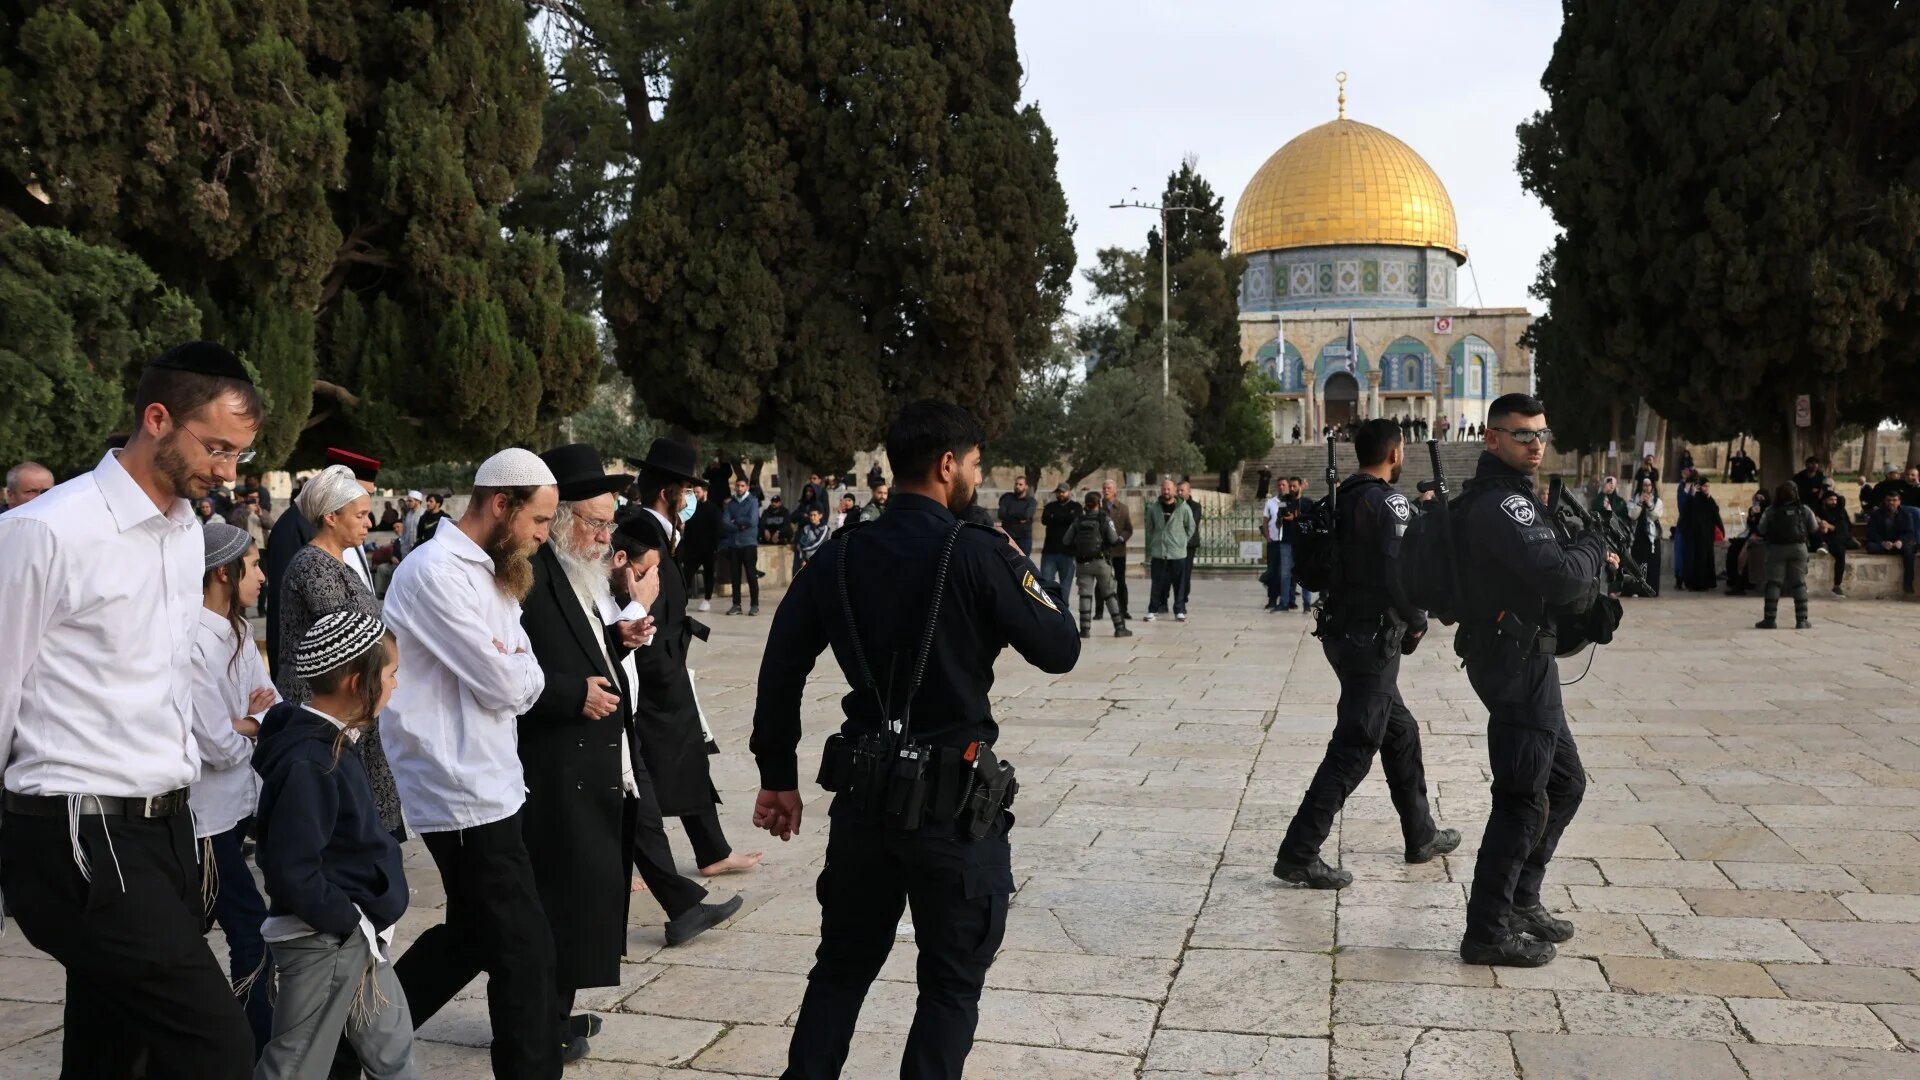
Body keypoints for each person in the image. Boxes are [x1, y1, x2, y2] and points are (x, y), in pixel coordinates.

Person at [748, 400, 1080, 1079]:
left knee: (839, 972)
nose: (978, 481)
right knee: (950, 986)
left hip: (866, 804)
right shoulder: (981, 553)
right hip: (953, 814)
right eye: (977, 467)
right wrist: (1024, 569)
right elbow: (1060, 648)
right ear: (948, 465)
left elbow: (781, 663)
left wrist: (777, 775)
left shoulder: (840, 556)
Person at [0, 341, 261, 1076]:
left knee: (113, 1049)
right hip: (79, 833)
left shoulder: (184, 531)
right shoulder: (45, 530)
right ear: (155, 418)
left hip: (167, 829)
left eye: (238, 454)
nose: (226, 470)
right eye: (215, 447)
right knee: (217, 1047)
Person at [519, 446, 742, 1058]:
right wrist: (570, 693)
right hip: (554, 763)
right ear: (560, 519)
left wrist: (617, 641)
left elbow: (581, 651)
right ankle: (532, 1028)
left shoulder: (579, 571)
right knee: (545, 906)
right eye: (593, 524)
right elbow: (507, 674)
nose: (603, 537)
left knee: (577, 901)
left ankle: (554, 1018)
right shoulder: (531, 574)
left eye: (606, 523)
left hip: (593, 757)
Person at [380, 448, 566, 1077]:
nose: (544, 536)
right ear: (500, 504)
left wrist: (513, 663)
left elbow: (525, 666)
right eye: (539, 520)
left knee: (470, 939)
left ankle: (351, 1042)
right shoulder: (437, 572)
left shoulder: (493, 571)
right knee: (526, 953)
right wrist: (512, 664)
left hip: (491, 782)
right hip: (459, 789)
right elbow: (509, 685)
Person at [1454, 393, 1614, 968]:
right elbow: (1564, 581)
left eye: (1541, 433)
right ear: (1491, 439)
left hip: (1527, 659)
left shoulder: (1518, 498)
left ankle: (1521, 899)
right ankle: (1487, 931)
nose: (1535, 443)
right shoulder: (1504, 505)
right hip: (1513, 663)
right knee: (1523, 799)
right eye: (1522, 434)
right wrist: (1595, 543)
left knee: (1564, 784)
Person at [1274, 419, 1459, 890]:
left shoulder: (1344, 497)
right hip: (1373, 638)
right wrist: (1416, 620)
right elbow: (1399, 571)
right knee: (1356, 743)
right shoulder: (1388, 501)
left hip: (1341, 633)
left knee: (1401, 731)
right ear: (1396, 453)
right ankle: (1300, 852)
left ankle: (1421, 834)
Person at [252, 613, 416, 1080]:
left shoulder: (336, 742)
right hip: (326, 942)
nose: (395, 685)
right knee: (295, 1066)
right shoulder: (310, 760)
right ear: (353, 682)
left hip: (358, 939)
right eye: (389, 675)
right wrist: (349, 922)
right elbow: (291, 867)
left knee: (392, 1050)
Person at [615, 439, 763, 879]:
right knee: (637, 774)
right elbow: (638, 604)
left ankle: (711, 850)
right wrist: (660, 672)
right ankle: (634, 862)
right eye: (688, 491)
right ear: (670, 493)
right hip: (651, 672)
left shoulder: (658, 529)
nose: (693, 500)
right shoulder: (642, 533)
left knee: (684, 760)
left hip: (664, 670)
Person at [273, 464, 407, 841]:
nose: (368, 523)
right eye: (360, 515)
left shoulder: (338, 563)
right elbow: (351, 635)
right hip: (323, 703)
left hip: (350, 699)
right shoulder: (312, 566)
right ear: (331, 517)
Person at [193, 521, 279, 1057]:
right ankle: (250, 1047)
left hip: (236, 808)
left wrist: (247, 721)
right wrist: (251, 724)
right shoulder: (192, 643)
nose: (264, 575)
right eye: (255, 563)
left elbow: (271, 704)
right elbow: (219, 747)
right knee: (248, 929)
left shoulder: (240, 632)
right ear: (224, 571)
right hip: (203, 820)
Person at [264, 448, 387, 665]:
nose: (368, 521)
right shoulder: (295, 530)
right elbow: (283, 613)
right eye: (360, 513)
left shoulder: (344, 535)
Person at [1754, 483, 1819, 629]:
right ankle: (1801, 620)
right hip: (1799, 548)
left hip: (1776, 549)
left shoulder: (1771, 510)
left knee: (1774, 583)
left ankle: (1770, 619)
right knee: (1799, 584)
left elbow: (1761, 529)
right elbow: (1814, 528)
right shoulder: (1804, 510)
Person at [1068, 491, 1131, 638]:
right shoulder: (1105, 519)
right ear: (1099, 503)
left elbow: (1066, 540)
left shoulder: (1078, 520)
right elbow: (1114, 539)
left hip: (1083, 563)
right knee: (1110, 595)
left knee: (1085, 595)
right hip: (1102, 562)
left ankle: (1084, 629)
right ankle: (1119, 628)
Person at [1143, 477, 1195, 622]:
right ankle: (1153, 609)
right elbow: (1150, 527)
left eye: (1169, 489)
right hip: (1159, 552)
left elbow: (1190, 527)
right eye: (1164, 489)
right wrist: (1157, 539)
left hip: (1177, 553)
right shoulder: (1154, 508)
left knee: (1179, 583)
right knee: (1156, 583)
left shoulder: (1183, 508)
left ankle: (1179, 609)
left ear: (1174, 491)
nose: (1166, 491)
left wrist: (1182, 541)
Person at [718, 477, 763, 616]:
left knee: (751, 574)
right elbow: (724, 522)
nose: (739, 488)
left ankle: (754, 605)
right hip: (734, 544)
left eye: (742, 485)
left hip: (748, 543)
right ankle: (736, 605)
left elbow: (752, 520)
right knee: (735, 575)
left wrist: (735, 520)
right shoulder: (731, 503)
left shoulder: (753, 501)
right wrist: (738, 525)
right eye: (737, 485)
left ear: (747, 487)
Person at [679, 480, 722, 614]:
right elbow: (687, 528)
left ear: (705, 492)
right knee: (686, 575)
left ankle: (707, 599)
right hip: (692, 549)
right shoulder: (691, 508)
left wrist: (715, 547)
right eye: (694, 492)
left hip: (708, 549)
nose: (696, 494)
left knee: (708, 574)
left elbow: (717, 529)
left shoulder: (713, 508)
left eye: (698, 492)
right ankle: (682, 601)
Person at [1867, 489, 1920, 594]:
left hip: (1900, 544)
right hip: (1884, 544)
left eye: (1894, 500)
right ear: (1885, 501)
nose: (1891, 503)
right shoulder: (1876, 514)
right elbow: (1872, 533)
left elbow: (1909, 532)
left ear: (1899, 501)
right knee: (1871, 546)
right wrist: (1883, 542)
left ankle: (1908, 583)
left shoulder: (1906, 514)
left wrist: (1900, 541)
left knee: (1909, 551)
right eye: (1888, 500)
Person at [1677, 475, 1722, 592]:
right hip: (1695, 536)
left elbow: (1715, 512)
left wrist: (1709, 498)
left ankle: (1706, 583)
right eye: (1705, 486)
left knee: (1706, 558)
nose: (1707, 488)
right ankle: (1695, 583)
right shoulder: (1694, 498)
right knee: (1696, 559)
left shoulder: (1709, 500)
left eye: (1708, 486)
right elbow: (1686, 512)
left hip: (1707, 535)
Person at [1038, 481, 1081, 600]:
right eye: (1058, 492)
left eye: (1063, 492)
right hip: (1049, 552)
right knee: (1046, 584)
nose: (1060, 494)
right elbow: (1045, 519)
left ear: (1069, 492)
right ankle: (1048, 610)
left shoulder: (1076, 506)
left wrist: (1055, 517)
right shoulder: (1050, 506)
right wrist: (1065, 517)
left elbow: (1075, 519)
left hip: (1068, 553)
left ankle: (1063, 611)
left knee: (1065, 586)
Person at [1101, 478, 1134, 620]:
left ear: (1115, 491)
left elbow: (1128, 528)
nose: (1106, 490)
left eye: (1109, 488)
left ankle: (1123, 609)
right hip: (1102, 551)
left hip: (1119, 551)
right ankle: (1098, 611)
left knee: (1121, 581)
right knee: (1101, 582)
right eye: (1104, 488)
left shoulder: (1123, 508)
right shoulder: (1098, 507)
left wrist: (1121, 538)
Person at [1626, 477, 1664, 596]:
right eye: (1644, 485)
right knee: (1637, 563)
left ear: (1652, 486)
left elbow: (1656, 515)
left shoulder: (1657, 500)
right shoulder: (1634, 498)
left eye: (1649, 485)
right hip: (1638, 536)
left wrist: (1649, 504)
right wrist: (1640, 503)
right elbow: (1632, 515)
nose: (1646, 487)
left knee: (1652, 564)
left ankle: (1651, 590)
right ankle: (1637, 589)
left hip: (1651, 537)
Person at [1726, 491, 1768, 596]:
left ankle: (1740, 583)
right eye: (1757, 499)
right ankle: (1735, 580)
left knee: (1743, 556)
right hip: (1752, 534)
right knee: (1734, 548)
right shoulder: (1752, 509)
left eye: (1761, 499)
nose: (1759, 501)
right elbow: (1750, 524)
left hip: (1761, 537)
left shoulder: (1769, 511)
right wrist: (1752, 515)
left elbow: (1765, 527)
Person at [1814, 488, 1852, 597]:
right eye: (1831, 500)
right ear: (1825, 501)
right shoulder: (1819, 510)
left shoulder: (1840, 510)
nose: (1834, 502)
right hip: (1822, 538)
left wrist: (1831, 527)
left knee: (1840, 554)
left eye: (1835, 499)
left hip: (1838, 539)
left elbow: (1844, 528)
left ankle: (1837, 586)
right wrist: (1822, 525)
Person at [1286, 477, 1316, 611]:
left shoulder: (1307, 502)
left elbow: (1312, 520)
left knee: (1305, 574)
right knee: (1291, 573)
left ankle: (1307, 604)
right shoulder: (1286, 502)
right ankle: (1291, 601)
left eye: (1294, 486)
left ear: (1300, 486)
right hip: (1290, 542)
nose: (1292, 489)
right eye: (1290, 486)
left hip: (1304, 543)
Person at [1261, 483, 1290, 611]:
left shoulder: (1290, 502)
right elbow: (1265, 521)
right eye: (1279, 485)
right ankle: (1272, 599)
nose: (1281, 487)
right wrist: (1267, 537)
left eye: (1283, 485)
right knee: (1272, 570)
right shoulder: (1271, 503)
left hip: (1286, 540)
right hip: (1273, 541)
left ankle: (1286, 600)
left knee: (1282, 572)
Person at [996, 475, 1037, 555]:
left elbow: (1026, 515)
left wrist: (1009, 515)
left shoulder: (1031, 501)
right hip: (1007, 537)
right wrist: (1019, 519)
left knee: (1024, 564)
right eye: (1016, 484)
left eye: (1020, 484)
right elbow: (1001, 514)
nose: (1017, 486)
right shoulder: (1007, 498)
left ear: (1026, 486)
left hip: (1023, 539)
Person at [1179, 479, 1203, 613]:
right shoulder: (1174, 505)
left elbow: (1192, 523)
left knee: (1185, 574)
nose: (1180, 493)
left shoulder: (1195, 506)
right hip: (1175, 544)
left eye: (1182, 490)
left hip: (1189, 544)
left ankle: (1182, 599)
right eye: (1178, 490)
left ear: (1189, 491)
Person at [794, 506, 830, 572]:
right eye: (811, 515)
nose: (812, 517)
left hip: (820, 561)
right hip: (808, 562)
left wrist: (803, 548)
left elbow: (818, 543)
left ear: (820, 516)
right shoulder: (806, 528)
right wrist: (803, 560)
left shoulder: (825, 529)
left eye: (814, 515)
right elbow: (801, 544)